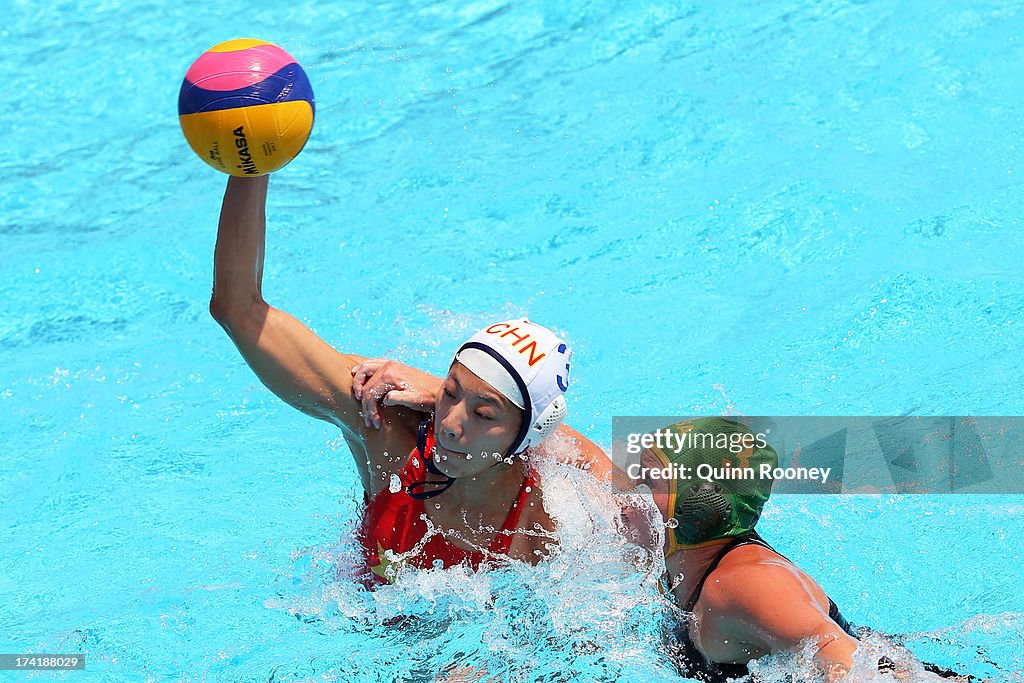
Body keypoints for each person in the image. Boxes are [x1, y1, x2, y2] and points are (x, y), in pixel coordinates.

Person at [353, 359, 980, 681]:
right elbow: (546, 437)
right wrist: (441, 392)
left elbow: (851, 666)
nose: (620, 492)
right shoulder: (674, 558)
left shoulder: (746, 585)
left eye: (646, 479)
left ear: (686, 510)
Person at [208, 175, 612, 587]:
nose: (450, 424)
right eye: (451, 393)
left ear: (528, 433)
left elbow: (639, 489)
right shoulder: (387, 434)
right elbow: (236, 307)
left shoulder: (544, 523)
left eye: (482, 413)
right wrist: (251, 166)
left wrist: (437, 386)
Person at [635, 417, 978, 682]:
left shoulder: (748, 584)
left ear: (699, 503)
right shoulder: (677, 551)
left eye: (648, 480)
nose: (628, 492)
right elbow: (597, 469)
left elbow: (858, 669)